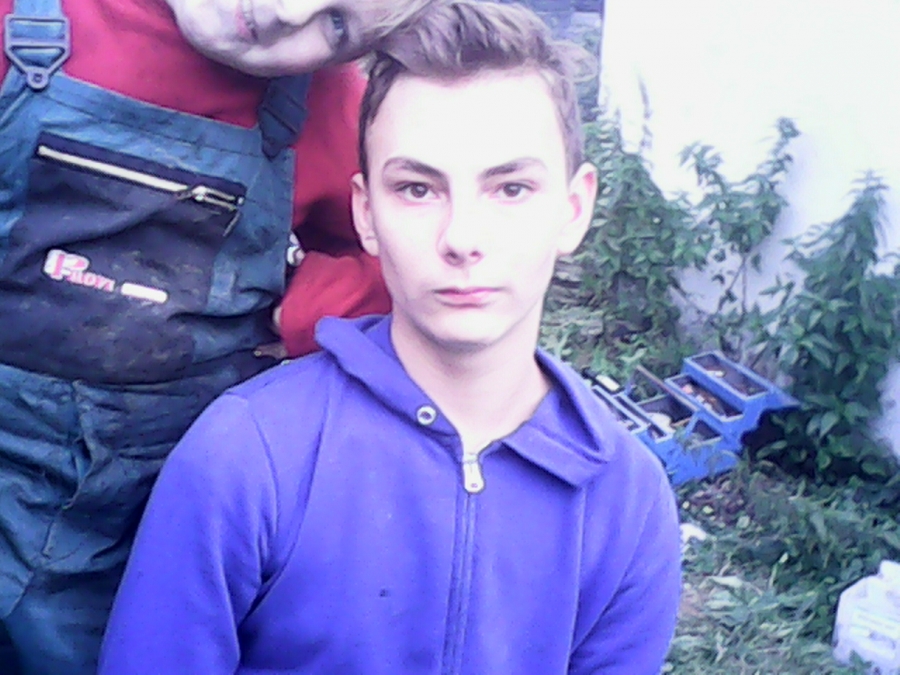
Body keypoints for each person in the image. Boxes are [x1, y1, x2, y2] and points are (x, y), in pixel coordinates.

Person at [99, 1, 683, 673]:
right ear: (365, 214)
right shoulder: (245, 456)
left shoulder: (627, 500)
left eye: (511, 188)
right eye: (417, 189)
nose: (462, 238)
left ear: (573, 209)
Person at [0, 0, 432, 673]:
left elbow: (390, 253)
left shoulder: (322, 107)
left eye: (336, 23)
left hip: (137, 510)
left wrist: (307, 311)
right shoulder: (25, 20)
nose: (286, 13)